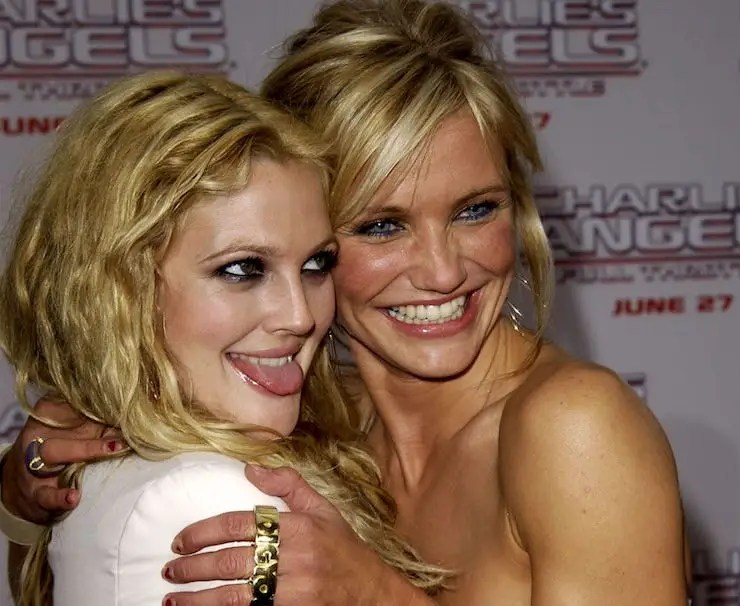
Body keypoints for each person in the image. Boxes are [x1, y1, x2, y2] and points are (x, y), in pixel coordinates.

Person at [1, 1, 692, 605]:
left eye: (476, 209)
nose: (444, 271)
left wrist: (378, 595)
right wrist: (31, 501)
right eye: (382, 226)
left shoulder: (572, 428)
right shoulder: (307, 416)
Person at [0, 70, 445, 605]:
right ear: (121, 288)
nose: (300, 316)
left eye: (316, 264)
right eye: (242, 269)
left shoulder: (123, 463)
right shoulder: (225, 504)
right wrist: (381, 595)